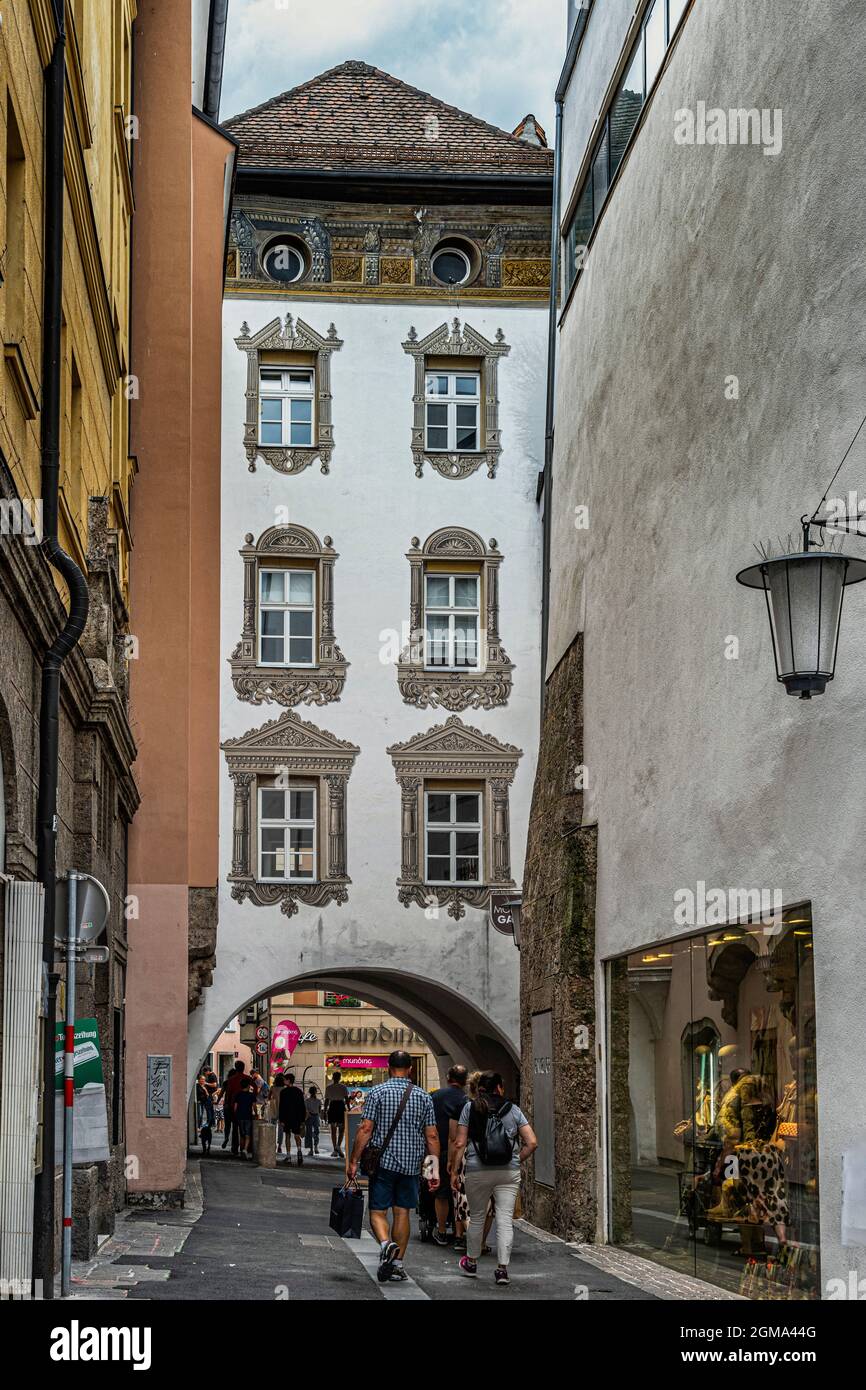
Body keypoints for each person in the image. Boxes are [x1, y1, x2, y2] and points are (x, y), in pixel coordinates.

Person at [348, 1050, 440, 1284]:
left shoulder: (377, 1092)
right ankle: (397, 1264)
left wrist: (354, 1161)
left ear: (389, 1067)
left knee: (377, 1212)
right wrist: (433, 1170)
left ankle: (386, 1244)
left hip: (383, 1163)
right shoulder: (423, 1096)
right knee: (402, 1212)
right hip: (411, 1164)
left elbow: (366, 1129)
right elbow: (432, 1136)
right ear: (410, 1069)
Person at [450, 1070, 537, 1286]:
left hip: (477, 1169)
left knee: (477, 1217)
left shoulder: (470, 1108)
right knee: (505, 1220)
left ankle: (471, 1262)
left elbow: (459, 1143)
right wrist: (517, 1158)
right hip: (508, 1171)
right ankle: (502, 1270)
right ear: (499, 1088)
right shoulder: (513, 1110)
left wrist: (453, 1171)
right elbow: (532, 1142)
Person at [430, 1065, 468, 1247]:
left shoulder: (435, 1096)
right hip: (462, 1152)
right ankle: (460, 1232)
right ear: (465, 1080)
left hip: (434, 1150)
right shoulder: (468, 1099)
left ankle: (442, 1230)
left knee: (438, 1192)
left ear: (448, 1077)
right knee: (459, 1192)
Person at [218, 1060, 250, 1155]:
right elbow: (255, 1087)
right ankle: (236, 1147)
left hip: (228, 1106)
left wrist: (219, 1101)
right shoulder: (243, 1079)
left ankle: (227, 1137)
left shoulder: (228, 1082)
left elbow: (224, 1093)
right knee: (237, 1127)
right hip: (238, 1106)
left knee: (227, 1125)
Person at [278, 1072, 307, 1165]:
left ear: (288, 1080)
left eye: (285, 1079)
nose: (284, 1081)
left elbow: (281, 1107)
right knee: (297, 1135)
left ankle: (289, 1156)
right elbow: (302, 1106)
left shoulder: (283, 1092)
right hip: (297, 1116)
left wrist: (281, 1119)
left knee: (287, 1135)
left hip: (286, 1117)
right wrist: (302, 1120)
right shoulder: (298, 1091)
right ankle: (299, 1152)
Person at [325, 1070, 350, 1157]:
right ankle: (338, 1146)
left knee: (333, 1129)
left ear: (332, 1078)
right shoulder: (343, 1087)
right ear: (339, 1078)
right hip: (340, 1106)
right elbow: (346, 1099)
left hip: (332, 1106)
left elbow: (327, 1100)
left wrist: (325, 1111)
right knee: (341, 1129)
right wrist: (349, 1109)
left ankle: (335, 1149)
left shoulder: (329, 1088)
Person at [233, 1075, 256, 1160]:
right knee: (247, 1135)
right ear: (248, 1086)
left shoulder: (238, 1095)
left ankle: (241, 1150)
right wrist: (256, 1114)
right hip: (248, 1116)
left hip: (239, 1116)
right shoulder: (251, 1095)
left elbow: (235, 1107)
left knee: (241, 1134)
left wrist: (236, 1114)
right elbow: (254, 1106)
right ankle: (245, 1150)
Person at [269, 1072, 286, 1153]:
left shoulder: (272, 1088)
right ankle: (279, 1146)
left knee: (272, 1126)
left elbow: (269, 1098)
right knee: (281, 1128)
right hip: (282, 1109)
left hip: (274, 1109)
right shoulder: (285, 1089)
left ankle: (272, 1144)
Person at [305, 1085, 323, 1155]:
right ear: (316, 1092)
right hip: (316, 1117)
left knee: (309, 1133)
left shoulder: (307, 1101)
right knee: (316, 1132)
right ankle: (316, 1147)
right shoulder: (318, 1101)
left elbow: (306, 1111)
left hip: (309, 1117)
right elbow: (319, 1111)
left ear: (309, 1092)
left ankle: (311, 1150)